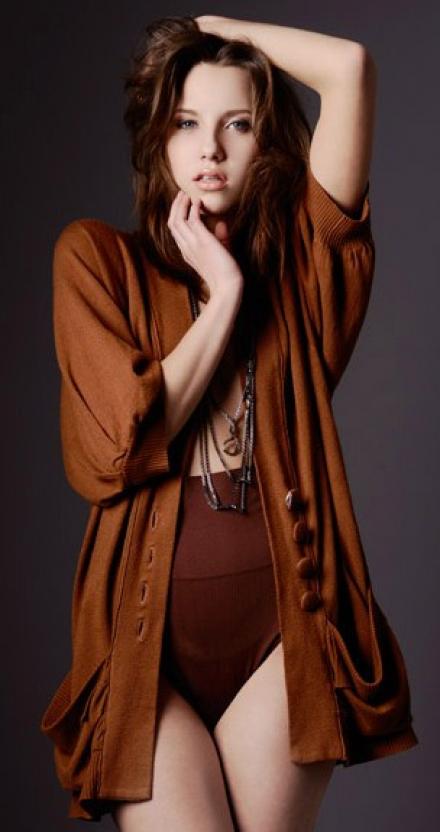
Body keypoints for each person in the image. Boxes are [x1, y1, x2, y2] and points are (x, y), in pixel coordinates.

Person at [40, 13, 418, 831]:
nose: (209, 148)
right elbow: (118, 448)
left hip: (288, 642)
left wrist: (208, 26)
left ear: (267, 143)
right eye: (185, 122)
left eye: (237, 124)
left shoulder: (305, 276)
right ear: (158, 139)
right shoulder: (97, 262)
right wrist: (223, 299)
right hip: (146, 660)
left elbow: (350, 69)